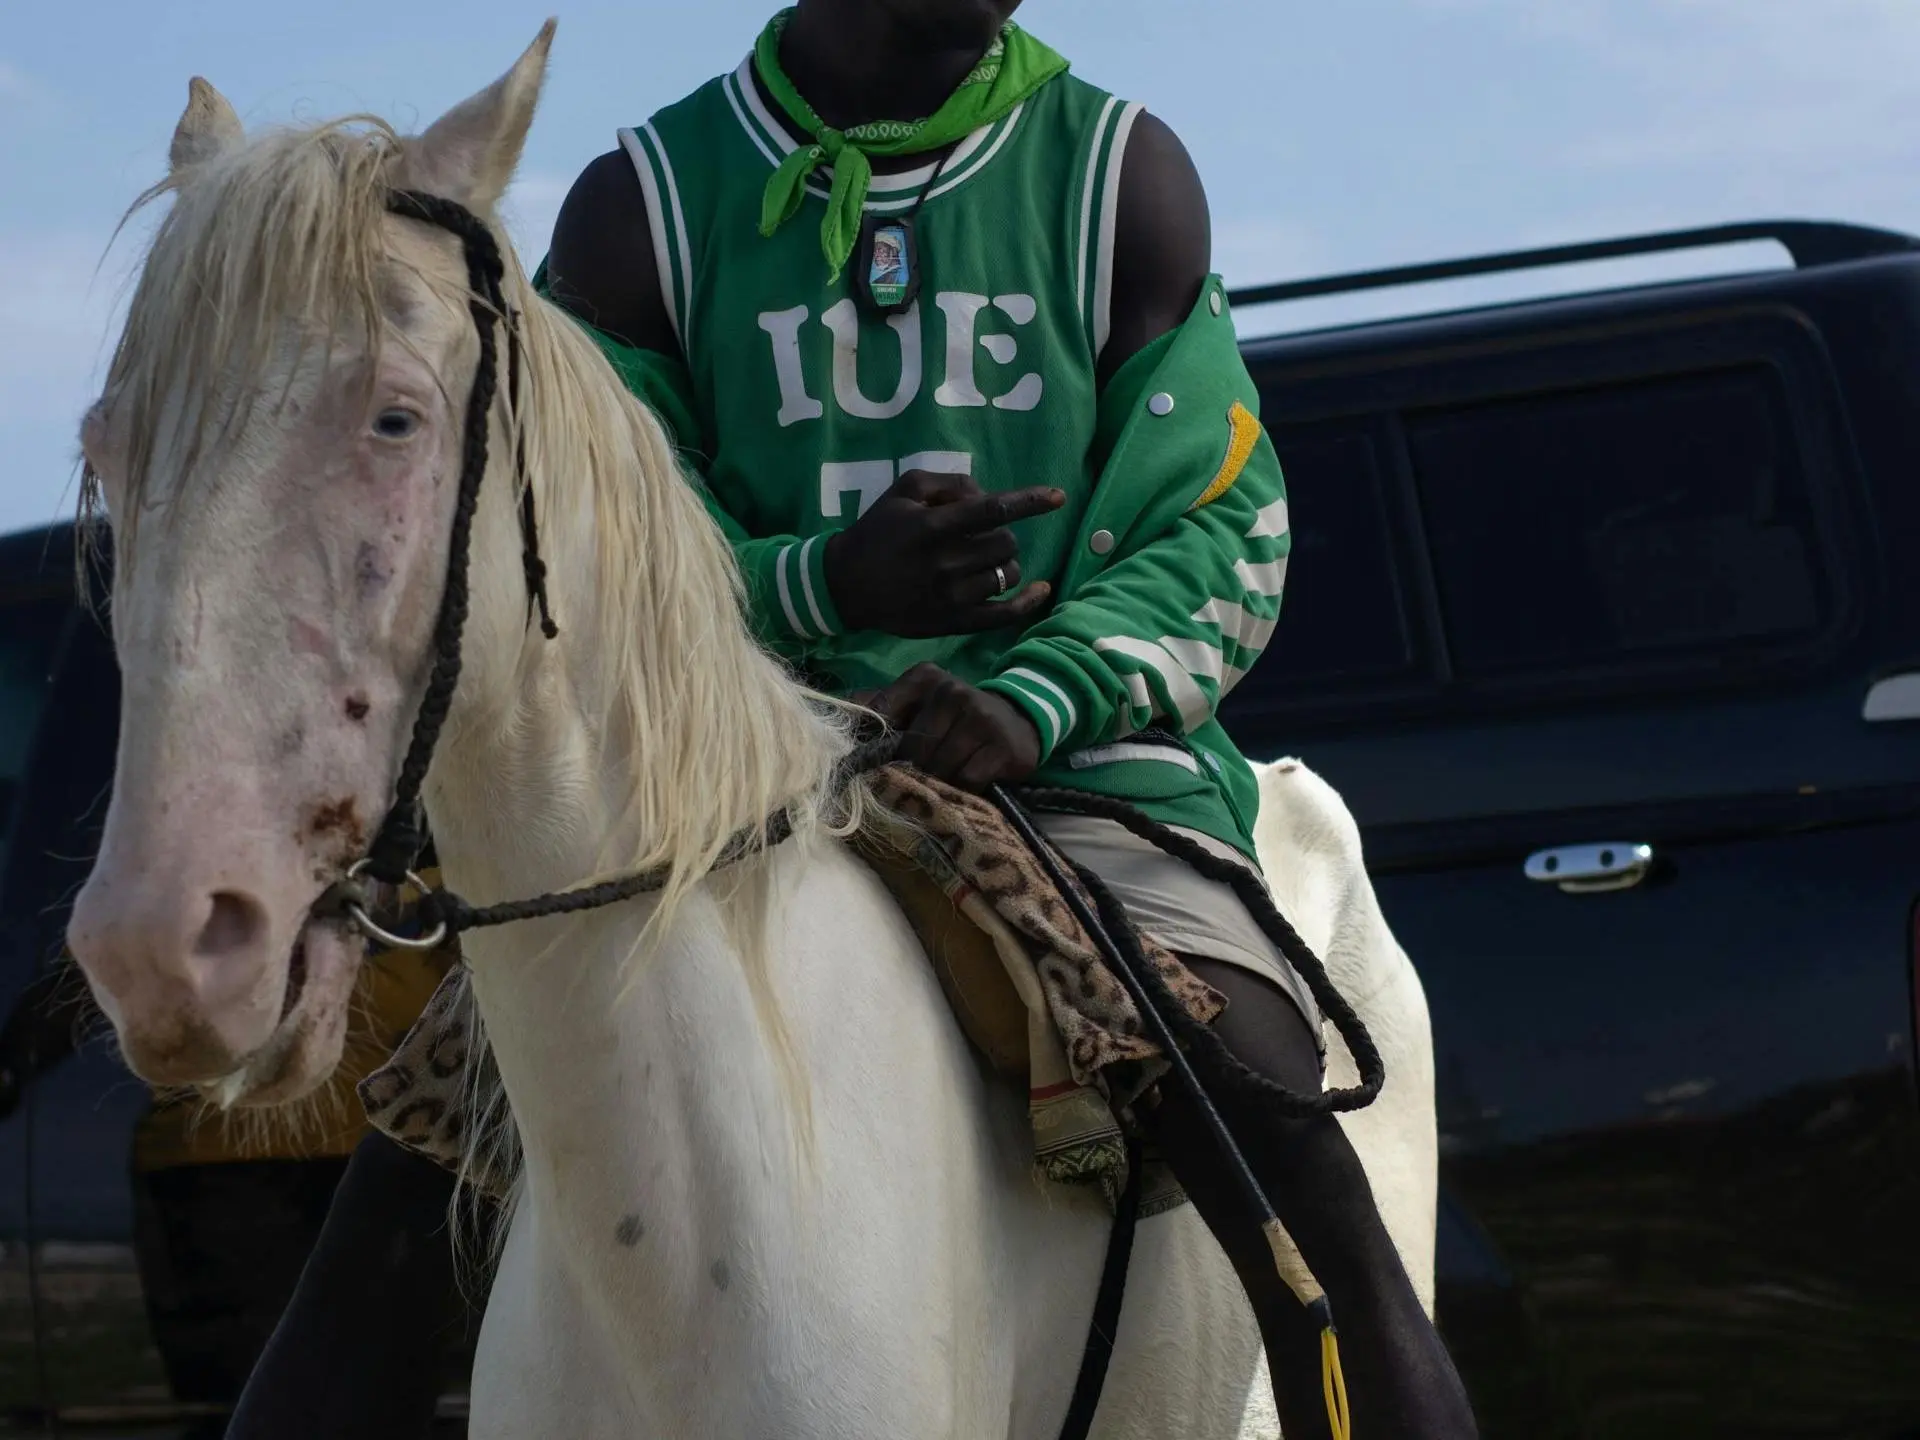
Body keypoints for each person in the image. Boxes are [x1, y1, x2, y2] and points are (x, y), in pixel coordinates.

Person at [235, 5, 1479, 1437]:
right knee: (408, 1165)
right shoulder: (643, 208)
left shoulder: (1118, 171)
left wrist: (1033, 696)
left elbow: (1223, 522)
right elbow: (568, 556)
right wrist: (829, 583)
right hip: (728, 790)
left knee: (1259, 1088)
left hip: (1077, 778)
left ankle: (1389, 1387)